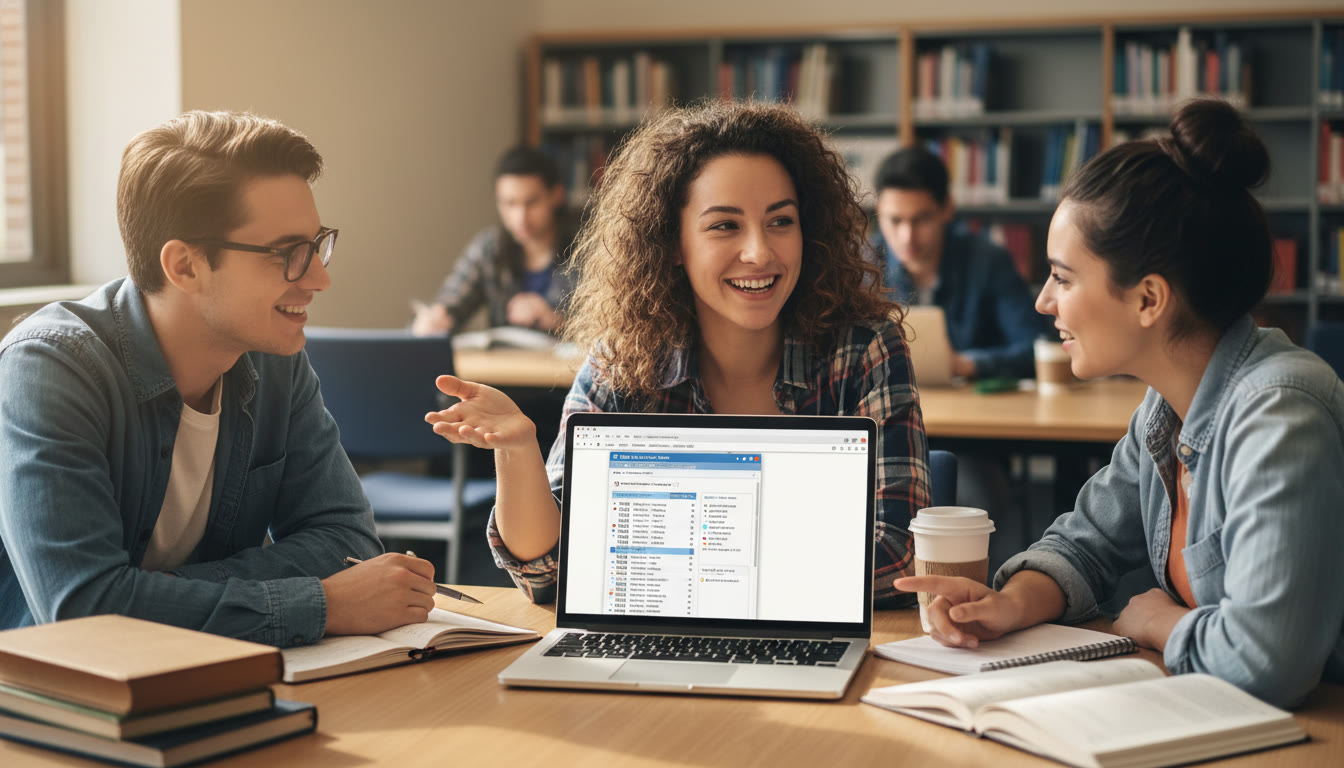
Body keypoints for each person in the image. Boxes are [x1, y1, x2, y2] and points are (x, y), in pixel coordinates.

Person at [896, 100, 1344, 708]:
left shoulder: (1279, 415)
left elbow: (1266, 661)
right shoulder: (1164, 411)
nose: (1044, 303)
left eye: (1064, 277)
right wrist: (1010, 604)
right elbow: (1086, 542)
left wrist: (1159, 623)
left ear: (1148, 299)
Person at [425, 100, 932, 605]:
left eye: (781, 221)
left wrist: (668, 567)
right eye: (724, 226)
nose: (759, 251)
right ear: (671, 242)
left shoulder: (864, 351)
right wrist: (517, 453)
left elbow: (896, 554)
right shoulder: (622, 360)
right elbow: (545, 573)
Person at [0, 111, 438, 647]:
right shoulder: (48, 371)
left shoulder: (273, 356)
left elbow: (347, 542)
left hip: (217, 677)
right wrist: (320, 603)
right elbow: (83, 615)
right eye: (288, 254)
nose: (320, 278)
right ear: (184, 266)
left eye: (317, 244)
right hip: (57, 707)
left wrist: (144, 595)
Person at [872, 146, 1047, 380]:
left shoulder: (989, 261)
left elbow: (1036, 348)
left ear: (947, 209)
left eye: (921, 219)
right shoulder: (859, 266)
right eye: (895, 220)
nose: (907, 236)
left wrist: (967, 365)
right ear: (878, 212)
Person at [412, 146, 577, 336]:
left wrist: (558, 320)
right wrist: (433, 321)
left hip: (570, 364)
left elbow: (609, 330)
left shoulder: (587, 250)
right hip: (501, 364)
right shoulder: (489, 248)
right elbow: (450, 303)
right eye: (509, 203)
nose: (520, 217)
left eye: (531, 202)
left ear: (556, 196)